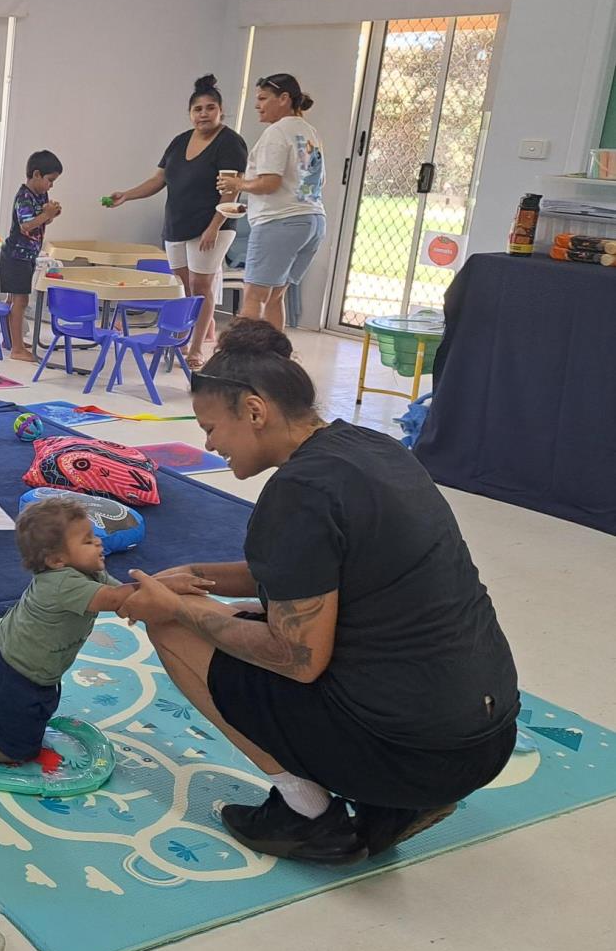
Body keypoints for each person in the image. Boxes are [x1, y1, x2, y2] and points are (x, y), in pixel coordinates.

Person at [116, 320, 519, 864]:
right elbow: (310, 572)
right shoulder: (372, 449)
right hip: (486, 738)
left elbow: (297, 659)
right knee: (244, 612)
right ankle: (391, 805)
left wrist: (177, 608)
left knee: (181, 623)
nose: (208, 443)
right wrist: (194, 571)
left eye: (212, 427)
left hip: (417, 753)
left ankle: (308, 816)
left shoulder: (298, 493)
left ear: (255, 412)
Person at [0, 498, 206, 763]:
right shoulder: (62, 583)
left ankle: (9, 718)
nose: (99, 543)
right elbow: (118, 598)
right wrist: (168, 587)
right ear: (56, 560)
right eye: (88, 540)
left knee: (40, 708)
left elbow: (126, 599)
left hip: (14, 660)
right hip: (13, 672)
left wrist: (146, 604)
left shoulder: (89, 572)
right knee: (17, 749)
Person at [108, 74, 249, 367]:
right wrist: (127, 195)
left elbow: (231, 190)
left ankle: (196, 347)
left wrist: (214, 227)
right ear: (190, 113)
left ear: (221, 111)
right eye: (198, 109)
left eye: (210, 108)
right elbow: (158, 180)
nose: (204, 114)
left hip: (212, 226)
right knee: (182, 286)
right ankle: (183, 335)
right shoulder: (179, 141)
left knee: (201, 286)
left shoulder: (230, 143)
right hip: (177, 223)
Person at [217, 73, 326, 331]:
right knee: (276, 295)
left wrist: (237, 185)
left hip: (279, 223)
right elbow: (312, 182)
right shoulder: (310, 133)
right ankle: (277, 356)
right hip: (313, 220)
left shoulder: (276, 132)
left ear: (284, 99)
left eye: (263, 98)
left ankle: (242, 359)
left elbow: (270, 183)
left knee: (253, 295)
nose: (258, 105)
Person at [0, 150, 64, 362]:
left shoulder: (40, 195)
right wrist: (46, 214)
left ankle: (12, 340)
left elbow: (41, 222)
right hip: (16, 254)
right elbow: (26, 224)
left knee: (17, 300)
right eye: (50, 180)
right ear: (36, 175)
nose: (51, 186)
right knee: (20, 301)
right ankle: (16, 348)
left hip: (26, 256)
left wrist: (51, 215)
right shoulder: (24, 196)